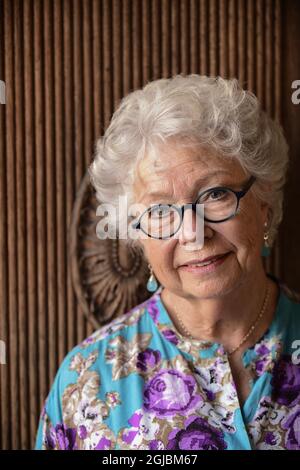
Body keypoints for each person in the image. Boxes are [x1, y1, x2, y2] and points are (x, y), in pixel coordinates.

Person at [35, 74, 300, 450]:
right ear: (137, 234)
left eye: (216, 194)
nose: (193, 232)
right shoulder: (86, 380)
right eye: (161, 210)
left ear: (264, 204)